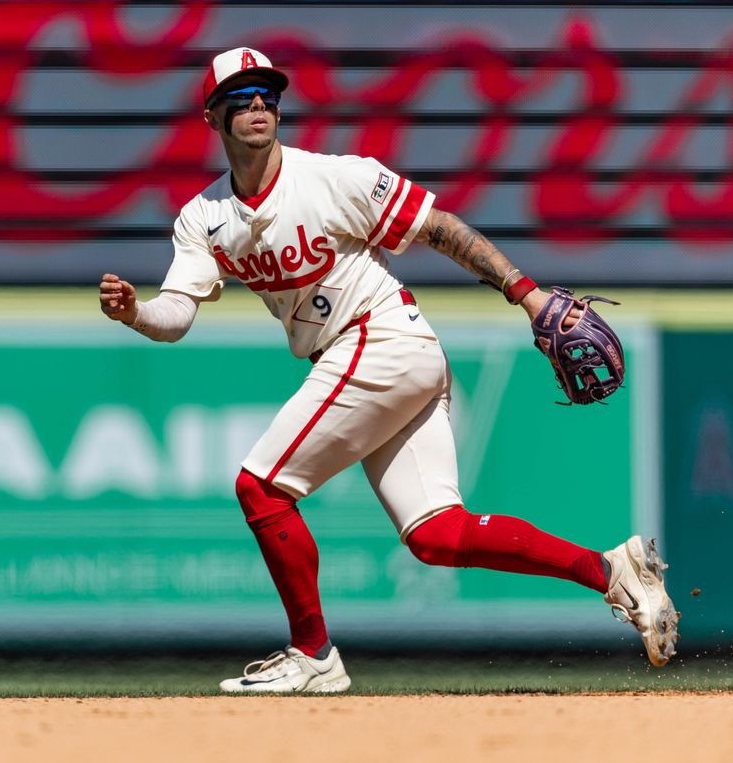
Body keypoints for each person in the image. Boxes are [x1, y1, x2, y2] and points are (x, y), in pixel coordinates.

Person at [98, 47, 679, 693]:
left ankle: (312, 655)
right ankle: (612, 571)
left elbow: (441, 228)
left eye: (268, 94)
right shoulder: (203, 216)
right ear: (212, 116)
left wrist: (530, 294)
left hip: (381, 339)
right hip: (377, 357)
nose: (258, 104)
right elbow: (177, 313)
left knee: (261, 487)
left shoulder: (334, 177)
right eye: (241, 95)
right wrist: (136, 314)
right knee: (437, 535)